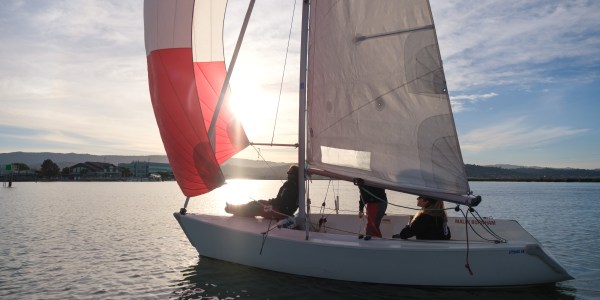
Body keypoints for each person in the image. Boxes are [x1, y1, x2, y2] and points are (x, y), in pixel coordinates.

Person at [225, 165, 299, 220]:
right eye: (288, 173)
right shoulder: (293, 185)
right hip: (281, 208)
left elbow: (281, 201)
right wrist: (270, 201)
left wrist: (271, 202)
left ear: (295, 175)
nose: (288, 175)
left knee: (257, 208)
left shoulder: (291, 186)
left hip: (280, 212)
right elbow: (281, 199)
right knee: (258, 202)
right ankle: (234, 207)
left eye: (290, 173)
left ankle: (233, 209)